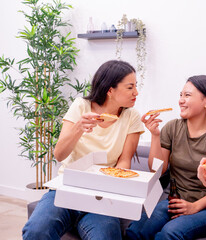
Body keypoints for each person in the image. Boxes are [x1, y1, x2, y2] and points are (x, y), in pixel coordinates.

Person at [22, 60, 145, 240]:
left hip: (101, 197)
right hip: (67, 189)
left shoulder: (131, 117)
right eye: (130, 87)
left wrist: (112, 186)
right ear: (110, 90)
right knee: (36, 231)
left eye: (136, 86)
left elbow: (124, 160)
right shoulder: (81, 106)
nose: (136, 92)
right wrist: (79, 127)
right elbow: (59, 154)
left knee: (106, 237)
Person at [125, 75, 206, 240]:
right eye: (181, 95)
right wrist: (155, 135)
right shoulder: (173, 128)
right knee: (136, 231)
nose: (181, 100)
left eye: (187, 95)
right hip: (174, 201)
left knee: (169, 233)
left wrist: (194, 206)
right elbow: (157, 169)